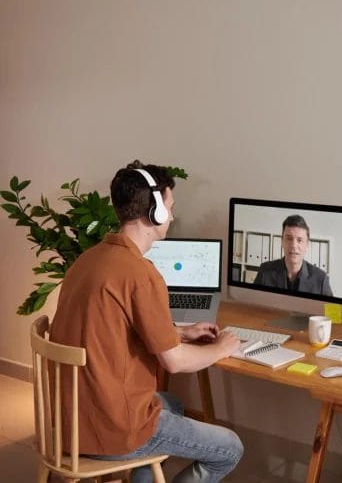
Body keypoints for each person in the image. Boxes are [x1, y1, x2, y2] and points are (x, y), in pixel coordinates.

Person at [49, 160, 243, 483]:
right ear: (154, 212)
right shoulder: (141, 274)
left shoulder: (87, 260)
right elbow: (174, 362)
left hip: (68, 423)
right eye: (170, 206)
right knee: (230, 448)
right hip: (113, 429)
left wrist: (180, 332)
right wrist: (222, 348)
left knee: (172, 403)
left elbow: (113, 330)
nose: (172, 214)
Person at [253, 214, 332, 295]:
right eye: (289, 238)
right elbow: (252, 302)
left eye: (299, 240)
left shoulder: (321, 279)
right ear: (282, 241)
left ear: (307, 245)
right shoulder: (265, 271)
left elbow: (333, 308)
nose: (293, 245)